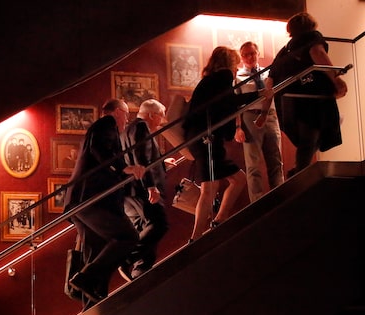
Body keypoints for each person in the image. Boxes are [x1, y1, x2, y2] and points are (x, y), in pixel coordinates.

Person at [182, 46, 271, 242]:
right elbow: (229, 101)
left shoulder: (210, 79)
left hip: (199, 136)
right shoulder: (223, 76)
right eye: (235, 61)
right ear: (229, 62)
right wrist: (258, 94)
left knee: (236, 180)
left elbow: (221, 104)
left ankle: (217, 222)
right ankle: (196, 237)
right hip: (206, 137)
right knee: (210, 188)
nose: (237, 64)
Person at [63, 98, 147, 307]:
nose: (126, 120)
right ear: (118, 112)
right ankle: (84, 279)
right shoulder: (106, 123)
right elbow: (101, 150)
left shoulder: (101, 129)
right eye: (126, 114)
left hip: (82, 200)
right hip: (92, 198)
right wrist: (124, 169)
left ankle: (92, 304)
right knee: (128, 236)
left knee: (97, 250)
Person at [269, 11, 348, 179]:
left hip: (288, 104)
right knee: (311, 136)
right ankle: (298, 175)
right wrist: (336, 79)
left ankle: (298, 171)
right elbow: (318, 54)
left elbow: (271, 78)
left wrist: (264, 110)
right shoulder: (312, 38)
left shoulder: (285, 51)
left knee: (311, 137)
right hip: (311, 100)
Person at [120, 98, 170, 281]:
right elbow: (141, 158)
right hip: (141, 188)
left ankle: (140, 273)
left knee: (145, 229)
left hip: (130, 190)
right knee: (159, 224)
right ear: (151, 115)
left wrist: (162, 163)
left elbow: (134, 157)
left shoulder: (127, 129)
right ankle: (127, 259)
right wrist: (151, 186)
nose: (162, 121)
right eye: (160, 117)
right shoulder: (141, 127)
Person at [234, 41, 284, 202]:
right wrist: (238, 127)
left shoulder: (268, 73)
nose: (250, 57)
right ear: (241, 57)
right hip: (250, 117)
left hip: (270, 116)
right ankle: (257, 201)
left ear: (257, 53)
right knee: (253, 164)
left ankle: (279, 197)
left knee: (275, 159)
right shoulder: (238, 77)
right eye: (246, 54)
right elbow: (236, 104)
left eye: (252, 53)